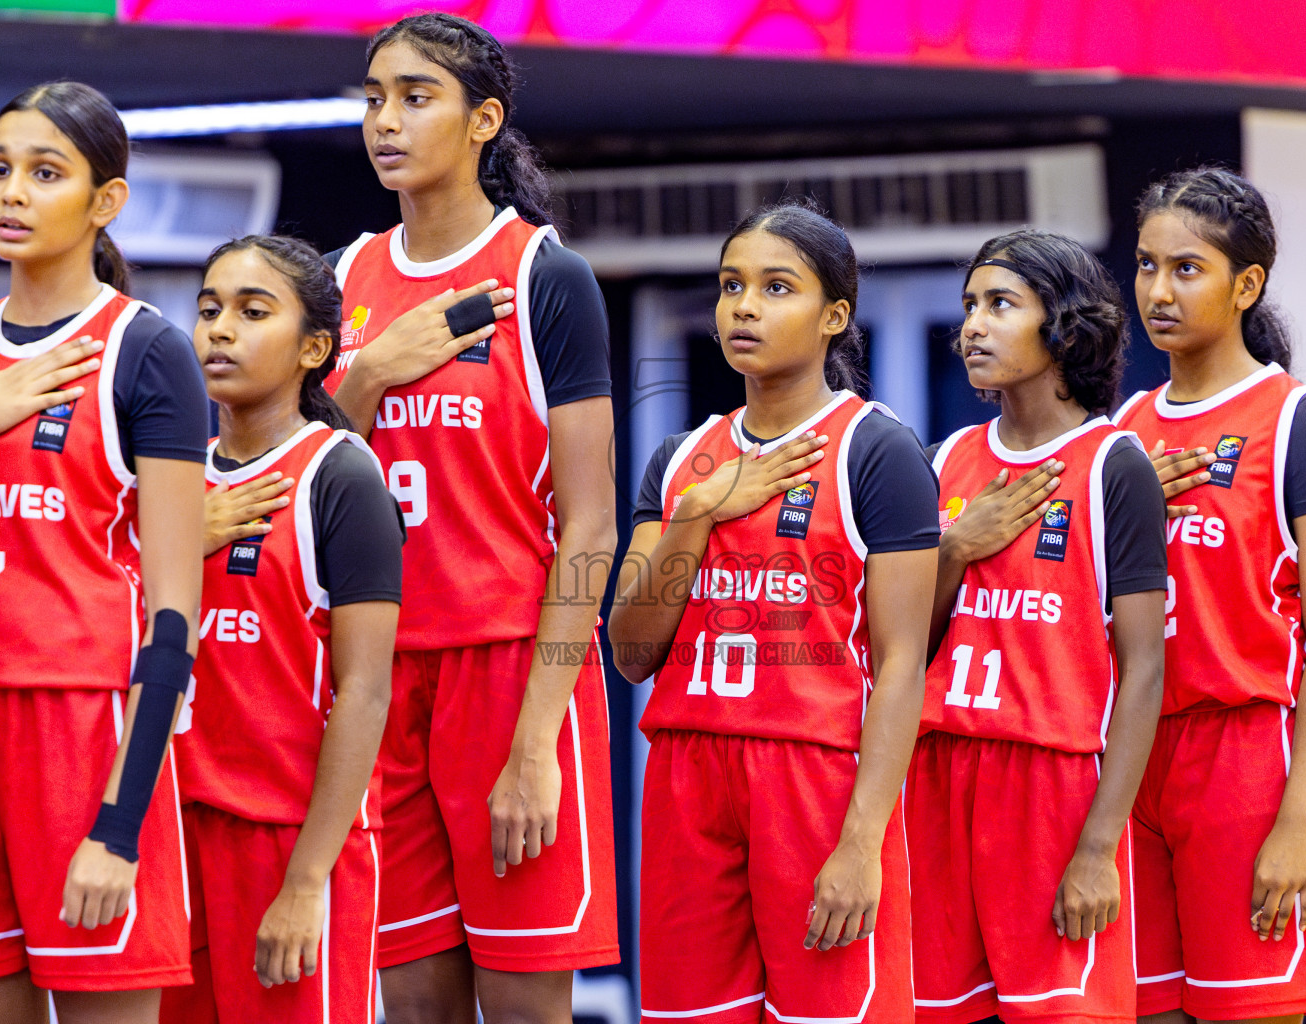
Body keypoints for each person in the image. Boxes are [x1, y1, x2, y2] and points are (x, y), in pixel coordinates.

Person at [323, 13, 618, 1022]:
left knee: (527, 1002)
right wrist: (366, 377)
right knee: (408, 1001)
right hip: (375, 677)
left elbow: (591, 528)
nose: (386, 122)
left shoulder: (545, 277)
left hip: (507, 675)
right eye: (372, 99)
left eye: (415, 96)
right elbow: (297, 478)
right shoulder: (341, 278)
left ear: (483, 118)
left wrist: (539, 738)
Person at [611, 200, 938, 1022]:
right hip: (688, 774)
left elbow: (903, 666)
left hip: (815, 779)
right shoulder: (682, 459)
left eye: (775, 287)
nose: (744, 307)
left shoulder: (877, 450)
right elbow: (630, 650)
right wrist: (697, 512)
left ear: (834, 316)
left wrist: (862, 842)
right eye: (731, 286)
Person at [0, 82, 207, 1024]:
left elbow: (175, 614)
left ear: (105, 201)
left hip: (85, 734)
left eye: (45, 173)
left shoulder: (144, 351)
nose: (11, 193)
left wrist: (119, 828)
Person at [1113, 166, 1306, 1023]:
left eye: (1187, 269)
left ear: (1246, 283)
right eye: (1147, 266)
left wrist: (1298, 821)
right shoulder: (1122, 434)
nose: (1159, 290)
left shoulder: (1301, 421)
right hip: (1129, 756)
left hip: (1247, 760)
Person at [908, 230, 1167, 1023]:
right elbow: (895, 646)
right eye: (969, 308)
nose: (973, 327)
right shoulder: (946, 459)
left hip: (1053, 789)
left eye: (1000, 305)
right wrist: (953, 552)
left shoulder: (1112, 463)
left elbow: (1144, 671)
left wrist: (1097, 847)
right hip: (937, 774)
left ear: (1062, 326)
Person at [156, 236, 405, 1024]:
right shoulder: (167, 480)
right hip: (172, 836)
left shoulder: (341, 474)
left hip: (288, 842)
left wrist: (306, 882)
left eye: (251, 311)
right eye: (208, 309)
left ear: (314, 348)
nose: (220, 330)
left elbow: (364, 694)